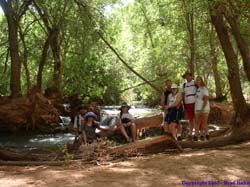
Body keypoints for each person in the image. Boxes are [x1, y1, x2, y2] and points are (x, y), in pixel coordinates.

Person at [194, 76, 210, 141]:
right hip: (197, 108)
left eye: (199, 80)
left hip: (204, 109)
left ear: (201, 81)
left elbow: (206, 100)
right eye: (196, 80)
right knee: (197, 122)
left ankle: (207, 135)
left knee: (204, 123)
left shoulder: (204, 89)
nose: (197, 81)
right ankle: (196, 136)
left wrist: (202, 110)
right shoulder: (197, 89)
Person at [182, 71, 197, 140]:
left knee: (196, 117)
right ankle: (191, 132)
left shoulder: (195, 83)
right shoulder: (184, 85)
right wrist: (183, 104)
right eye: (186, 76)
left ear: (191, 76)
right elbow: (183, 95)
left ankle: (197, 132)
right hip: (187, 103)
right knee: (190, 118)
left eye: (188, 76)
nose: (187, 77)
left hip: (195, 102)